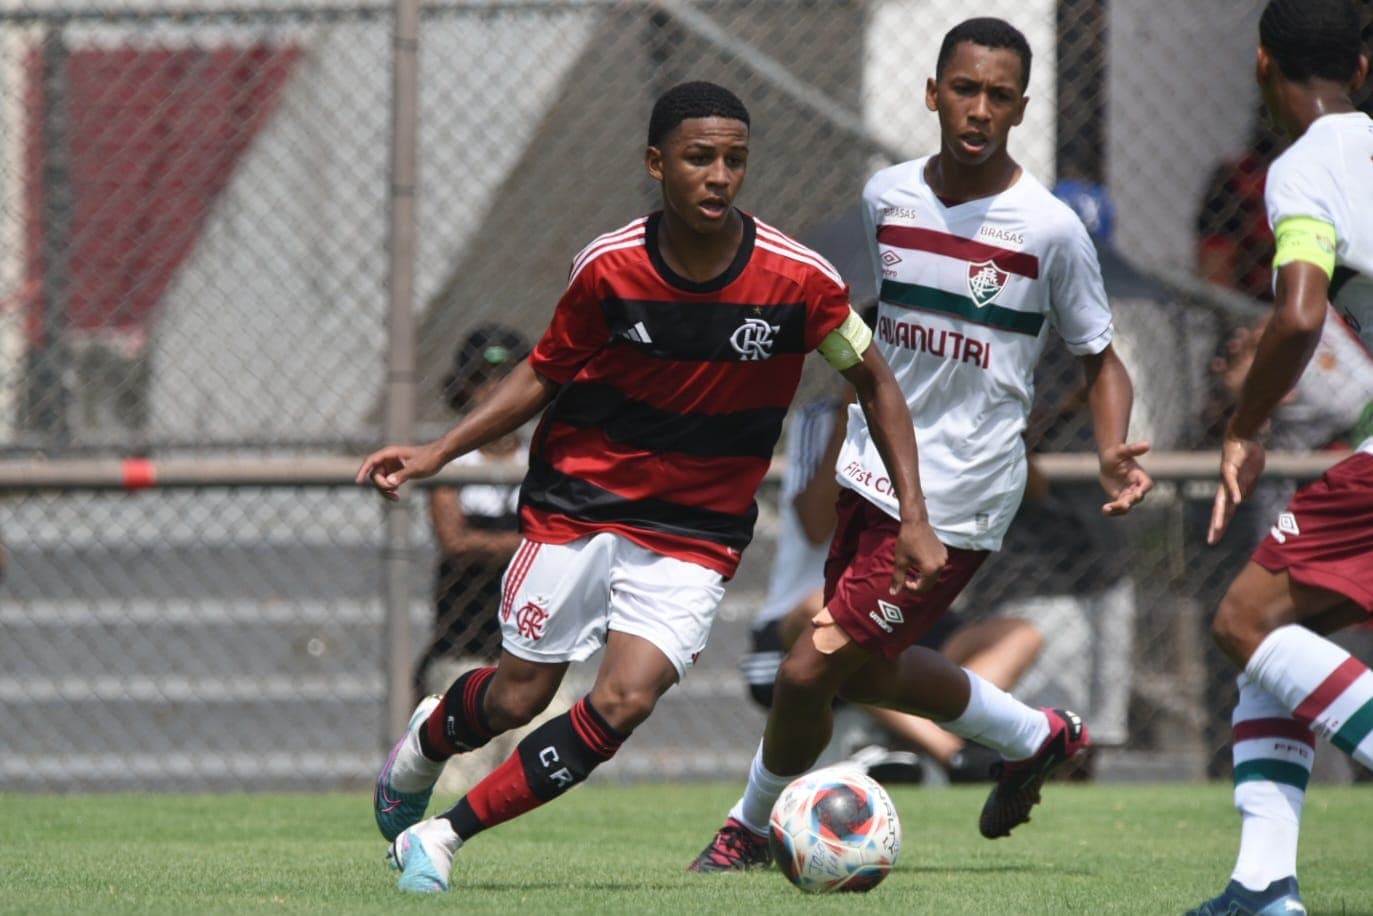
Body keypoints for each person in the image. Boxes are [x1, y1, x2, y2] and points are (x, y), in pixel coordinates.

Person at [356, 80, 947, 894]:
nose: (718, 176)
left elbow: (876, 382)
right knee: (517, 695)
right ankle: (427, 743)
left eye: (734, 161)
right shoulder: (609, 268)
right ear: (655, 164)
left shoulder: (798, 280)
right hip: (579, 507)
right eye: (698, 158)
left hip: (695, 533)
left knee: (625, 701)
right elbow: (542, 372)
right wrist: (439, 453)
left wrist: (913, 515)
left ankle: (444, 838)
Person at [689, 17, 1152, 873]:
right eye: (964, 90)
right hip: (872, 466)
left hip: (960, 494)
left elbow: (1099, 358)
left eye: (998, 96)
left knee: (805, 672)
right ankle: (1035, 735)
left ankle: (745, 829)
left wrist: (1111, 448)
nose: (979, 110)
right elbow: (877, 329)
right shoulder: (886, 196)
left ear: (1019, 108)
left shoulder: (1048, 229)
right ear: (933, 93)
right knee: (862, 673)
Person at [1191, 2, 1373, 913]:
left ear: (1261, 65)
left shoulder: (1304, 168)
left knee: (1244, 625)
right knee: (1272, 625)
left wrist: (1246, 425)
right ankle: (1261, 885)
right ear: (1364, 68)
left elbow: (1299, 313)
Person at [743, 346, 1041, 784]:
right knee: (823, 615)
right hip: (810, 613)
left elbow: (1036, 491)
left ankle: (910, 744)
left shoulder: (955, 416)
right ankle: (952, 753)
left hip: (905, 602)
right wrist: (858, 409)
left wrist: (1002, 429)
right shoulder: (821, 421)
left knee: (1020, 634)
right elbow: (814, 523)